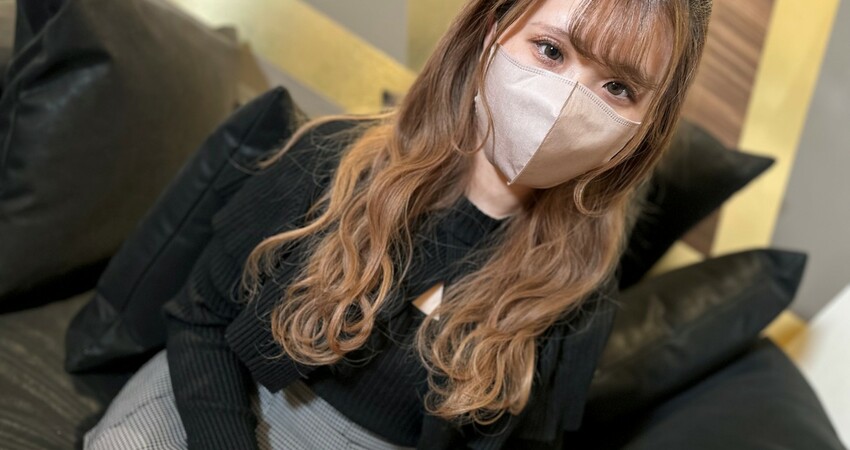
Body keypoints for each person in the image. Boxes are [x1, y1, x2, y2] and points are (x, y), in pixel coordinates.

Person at [84, 0, 712, 448]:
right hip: (212, 404)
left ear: (642, 133)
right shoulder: (328, 160)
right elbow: (201, 320)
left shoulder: (578, 299)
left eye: (618, 88)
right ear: (492, 32)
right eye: (551, 51)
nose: (568, 101)